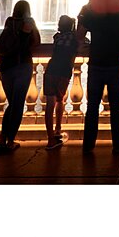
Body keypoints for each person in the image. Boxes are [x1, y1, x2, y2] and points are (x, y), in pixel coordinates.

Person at [77, 1, 119, 153]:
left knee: (92, 107)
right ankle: (118, 143)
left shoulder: (93, 12)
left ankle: (88, 145)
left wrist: (82, 13)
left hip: (96, 64)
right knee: (116, 107)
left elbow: (79, 34)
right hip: (115, 64)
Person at [0, 0, 40, 154]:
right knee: (17, 105)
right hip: (22, 65)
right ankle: (10, 141)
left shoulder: (9, 22)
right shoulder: (29, 22)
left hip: (6, 67)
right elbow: (37, 41)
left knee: (12, 103)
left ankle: (2, 138)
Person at [44, 15, 77, 150]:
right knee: (60, 100)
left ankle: (50, 138)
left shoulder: (57, 37)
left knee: (49, 104)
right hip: (64, 71)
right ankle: (58, 130)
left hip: (51, 70)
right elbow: (84, 43)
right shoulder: (75, 39)